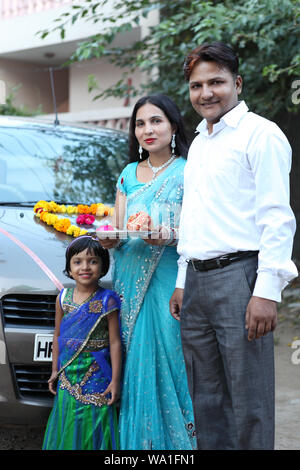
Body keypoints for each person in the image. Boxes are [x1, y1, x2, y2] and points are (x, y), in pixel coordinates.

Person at [170, 42, 298, 450]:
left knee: (249, 402)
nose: (206, 93)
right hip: (197, 283)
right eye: (196, 85)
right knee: (205, 399)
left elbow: (277, 217)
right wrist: (181, 278)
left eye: (216, 82)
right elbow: (195, 217)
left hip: (241, 280)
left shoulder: (261, 135)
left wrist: (266, 291)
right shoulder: (202, 142)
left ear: (237, 83)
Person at [99, 94, 196, 450]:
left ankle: (180, 445)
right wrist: (109, 240)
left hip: (170, 279)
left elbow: (200, 232)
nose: (147, 130)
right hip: (129, 278)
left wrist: (167, 236)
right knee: (136, 358)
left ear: (173, 125)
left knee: (170, 356)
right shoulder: (128, 174)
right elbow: (119, 227)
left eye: (156, 121)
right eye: (140, 123)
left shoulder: (189, 170)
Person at [42, 235, 122, 450]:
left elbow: (115, 342)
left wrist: (115, 380)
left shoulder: (108, 300)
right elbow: (58, 335)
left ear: (103, 267)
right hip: (68, 373)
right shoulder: (63, 297)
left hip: (97, 372)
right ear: (69, 268)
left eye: (93, 261)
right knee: (68, 421)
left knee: (95, 422)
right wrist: (54, 369)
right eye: (78, 262)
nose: (85, 267)